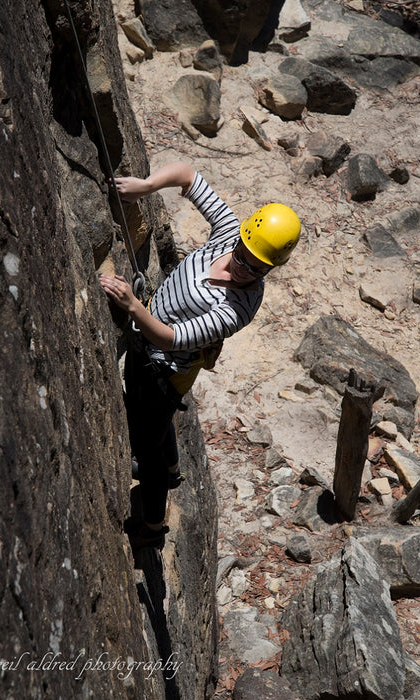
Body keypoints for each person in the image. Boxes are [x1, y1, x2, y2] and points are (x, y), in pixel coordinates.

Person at [99, 161, 301, 549]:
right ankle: (173, 467)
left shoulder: (239, 307)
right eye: (243, 254)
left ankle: (154, 528)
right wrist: (146, 186)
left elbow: (173, 339)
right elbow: (188, 176)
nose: (241, 267)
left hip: (163, 366)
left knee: (148, 449)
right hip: (154, 354)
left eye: (256, 268)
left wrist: (133, 307)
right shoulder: (229, 234)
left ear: (270, 269)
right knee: (160, 425)